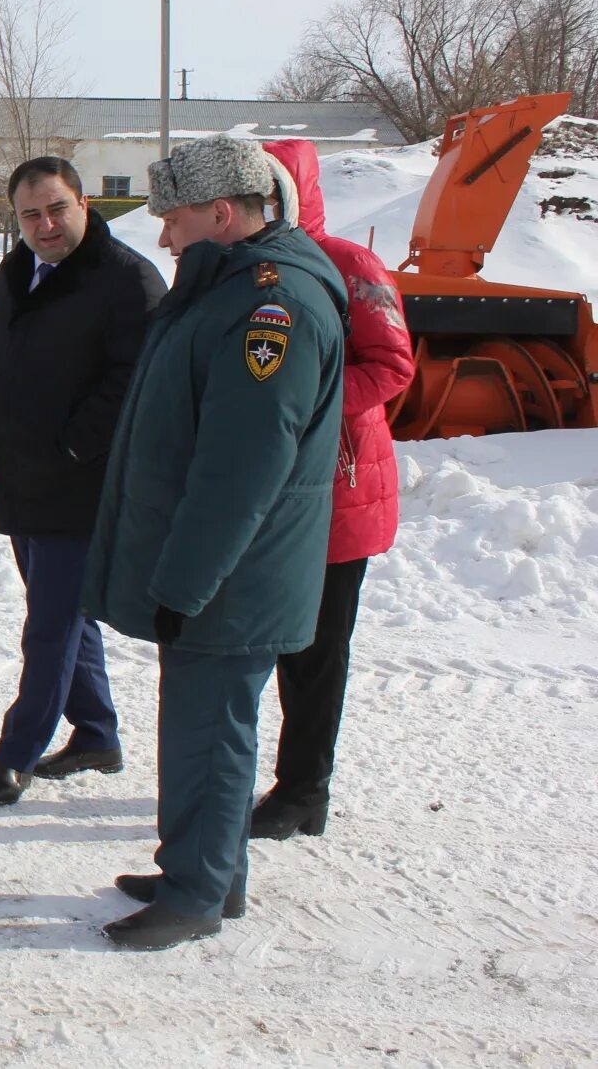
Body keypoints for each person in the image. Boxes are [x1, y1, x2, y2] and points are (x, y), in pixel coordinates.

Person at [81, 135, 347, 951]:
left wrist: (184, 582)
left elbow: (242, 466)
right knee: (202, 724)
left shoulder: (273, 306)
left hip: (232, 574)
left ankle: (195, 894)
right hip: (218, 571)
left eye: (173, 218)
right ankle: (205, 871)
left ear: (221, 213)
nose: (162, 236)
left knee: (213, 727)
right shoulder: (229, 286)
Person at [0, 156, 165, 807]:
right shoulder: (17, 268)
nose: (45, 224)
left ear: (83, 200)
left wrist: (70, 442)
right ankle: (98, 732)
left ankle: (13, 756)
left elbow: (133, 381)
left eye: (56, 208)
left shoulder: (127, 280)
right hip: (21, 477)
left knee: (49, 625)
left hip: (83, 484)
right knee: (65, 615)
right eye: (30, 214)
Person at [252, 139, 414, 839]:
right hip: (267, 492)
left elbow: (393, 365)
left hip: (341, 489)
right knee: (262, 643)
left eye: (268, 188)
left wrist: (304, 403)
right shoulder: (245, 270)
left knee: (317, 650)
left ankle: (303, 789)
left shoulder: (352, 265)